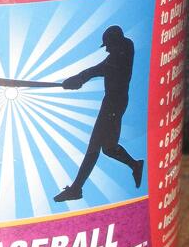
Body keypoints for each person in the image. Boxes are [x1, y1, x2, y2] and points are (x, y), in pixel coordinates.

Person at [54, 25, 144, 201]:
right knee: (109, 149)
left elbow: (99, 69)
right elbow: (98, 69)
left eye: (108, 45)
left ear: (116, 42)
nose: (107, 49)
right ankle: (135, 165)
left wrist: (80, 78)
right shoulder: (119, 52)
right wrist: (79, 78)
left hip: (113, 104)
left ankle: (76, 189)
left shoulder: (123, 52)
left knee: (94, 146)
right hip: (113, 102)